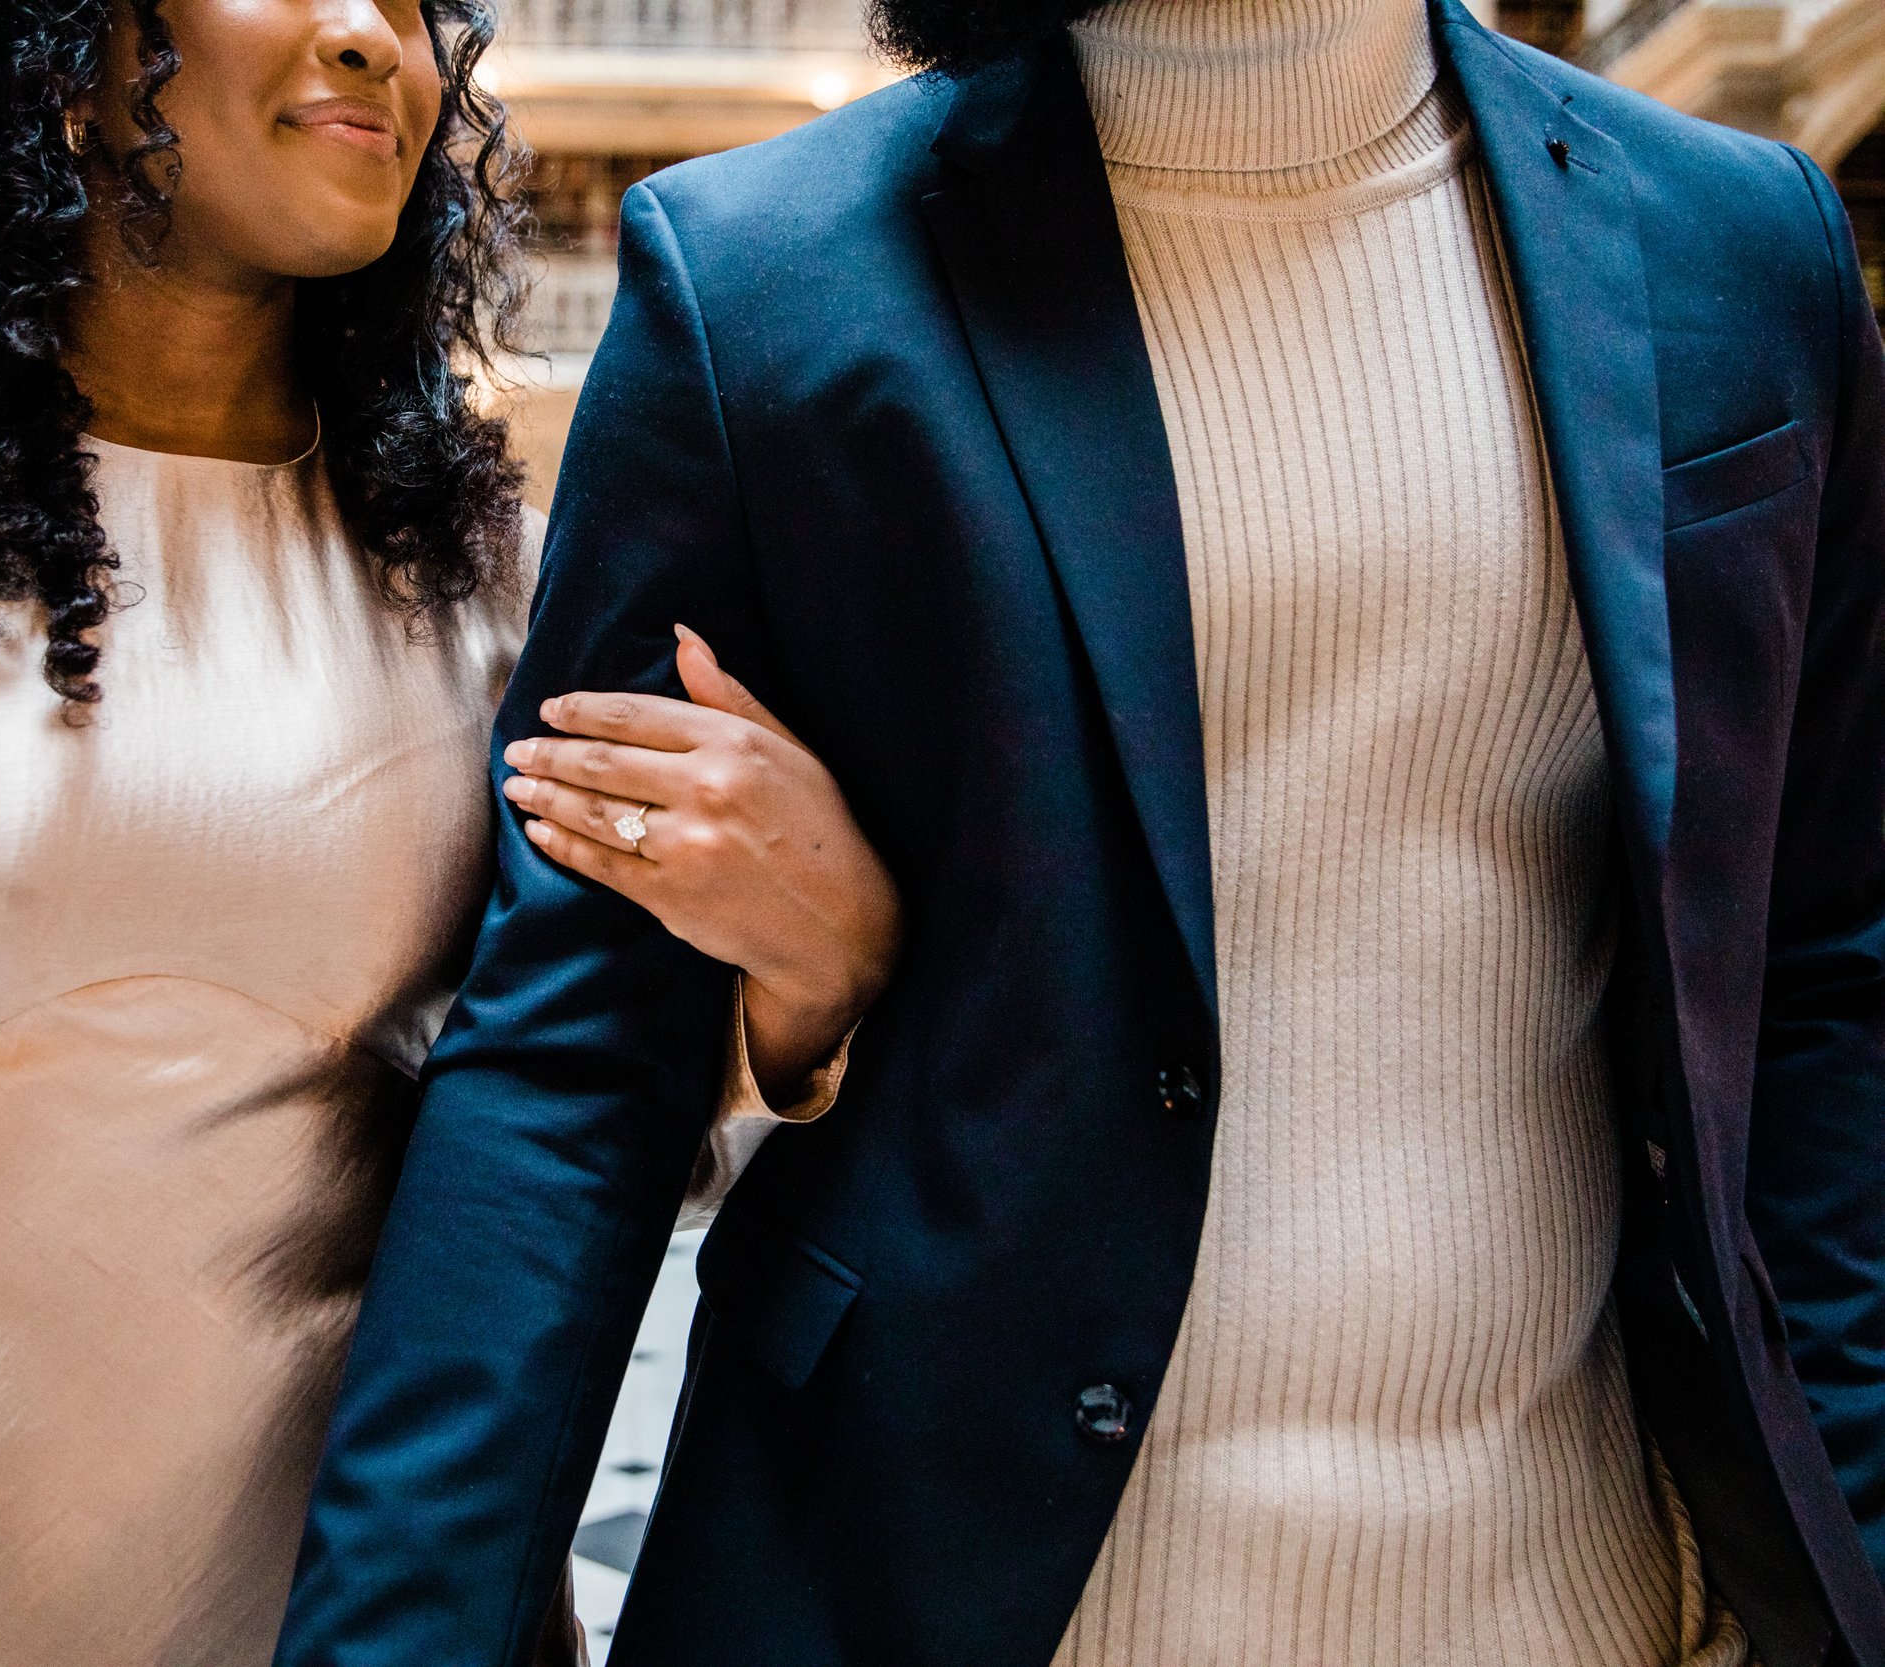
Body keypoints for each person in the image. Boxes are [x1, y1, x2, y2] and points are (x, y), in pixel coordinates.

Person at [271, 0, 1885, 1660]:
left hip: (1583, 1589)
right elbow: (569, 1070)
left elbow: (1820, 976)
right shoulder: (767, 278)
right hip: (951, 1587)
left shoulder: (1739, 246)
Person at [0, 0, 899, 1663]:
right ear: (50, 49)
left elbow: (578, 1152)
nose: (373, 35)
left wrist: (812, 981)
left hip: (398, 1622)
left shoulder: (491, 585)